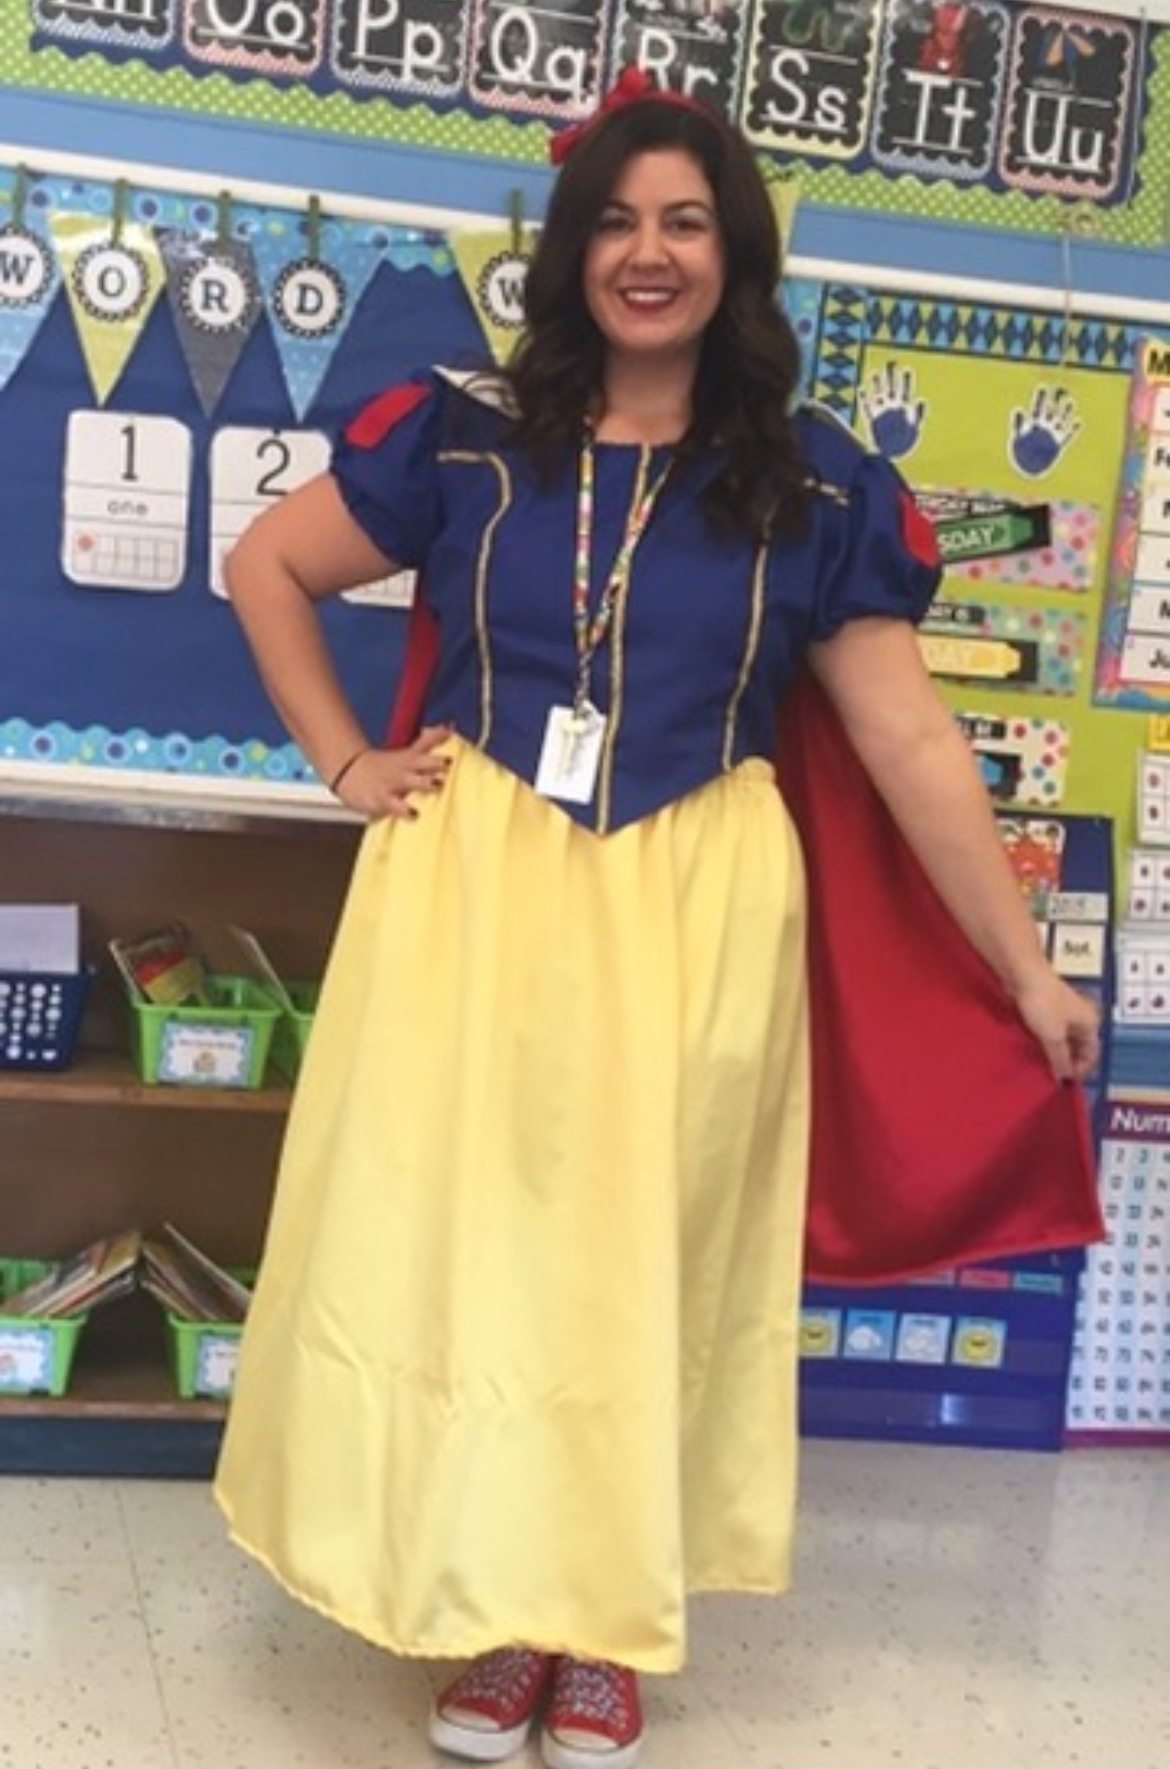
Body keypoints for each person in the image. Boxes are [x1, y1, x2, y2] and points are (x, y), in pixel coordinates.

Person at [214, 70, 1102, 1769]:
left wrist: (1022, 962)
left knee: (646, 1260)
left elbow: (909, 738)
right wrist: (344, 761)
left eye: (684, 221)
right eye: (616, 219)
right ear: (573, 251)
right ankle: (481, 1601)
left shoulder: (812, 480)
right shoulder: (464, 428)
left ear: (733, 254)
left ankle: (600, 1620)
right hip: (473, 886)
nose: (648, 252)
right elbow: (266, 565)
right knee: (467, 1244)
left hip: (697, 896)